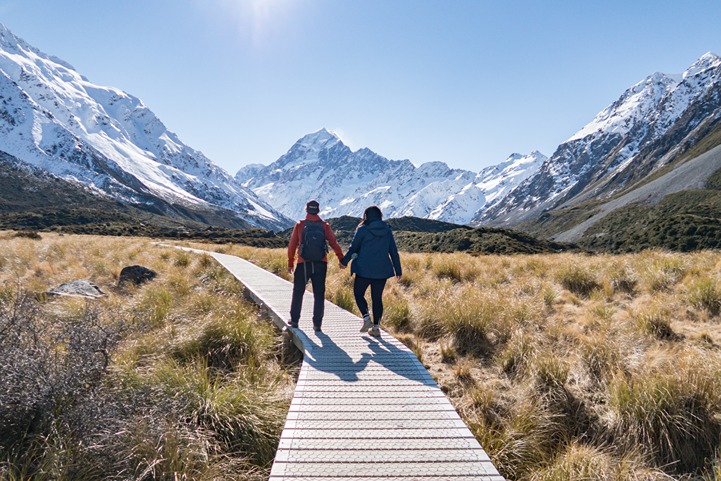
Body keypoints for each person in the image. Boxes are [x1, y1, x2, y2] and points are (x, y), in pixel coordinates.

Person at [341, 205, 402, 337]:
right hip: (382, 270)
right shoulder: (387, 230)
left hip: (363, 269)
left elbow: (353, 248)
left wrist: (344, 261)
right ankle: (376, 328)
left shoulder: (362, 230)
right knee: (377, 298)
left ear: (366, 216)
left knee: (358, 293)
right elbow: (393, 251)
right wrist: (398, 270)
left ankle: (366, 318)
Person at [288, 199, 345, 332]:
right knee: (319, 294)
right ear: (318, 210)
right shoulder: (325, 226)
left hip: (303, 263)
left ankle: (295, 320)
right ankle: (317, 324)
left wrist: (290, 261)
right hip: (321, 263)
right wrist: (340, 258)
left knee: (298, 292)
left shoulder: (300, 225)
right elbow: (333, 243)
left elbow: (292, 245)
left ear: (306, 210)